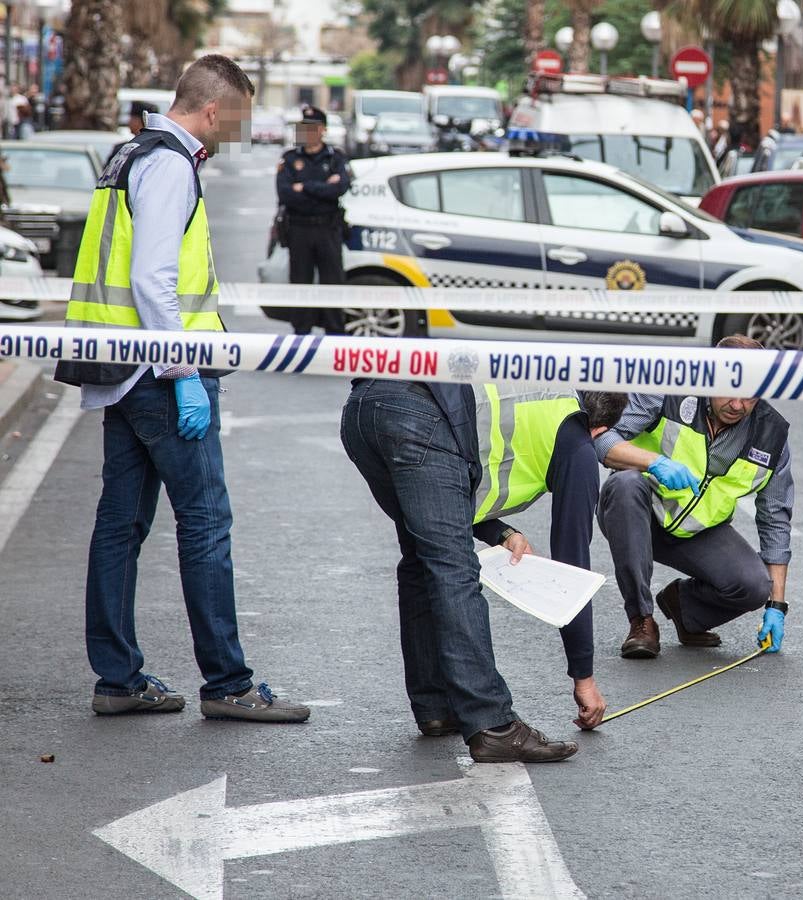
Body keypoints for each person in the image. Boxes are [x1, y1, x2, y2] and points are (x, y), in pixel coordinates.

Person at [53, 55, 311, 723]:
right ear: (212, 111)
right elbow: (152, 279)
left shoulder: (128, 155)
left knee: (121, 526)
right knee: (204, 523)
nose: (240, 132)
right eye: (240, 119)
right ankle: (227, 682)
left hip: (120, 368)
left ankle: (117, 678)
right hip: (160, 374)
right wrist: (185, 371)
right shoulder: (169, 164)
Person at [342, 381, 627, 761]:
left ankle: (436, 707)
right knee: (453, 568)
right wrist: (584, 678)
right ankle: (493, 724)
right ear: (600, 430)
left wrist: (501, 531)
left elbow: (448, 499)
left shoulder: (538, 392)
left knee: (421, 556)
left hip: (364, 408)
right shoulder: (577, 443)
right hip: (419, 415)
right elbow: (571, 572)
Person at [597, 335, 794, 660]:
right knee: (625, 485)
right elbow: (603, 441)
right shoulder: (667, 391)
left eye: (750, 396)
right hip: (635, 513)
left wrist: (777, 606)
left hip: (697, 533)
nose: (738, 405)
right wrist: (654, 463)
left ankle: (685, 608)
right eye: (730, 391)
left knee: (755, 585)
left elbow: (775, 520)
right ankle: (641, 621)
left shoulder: (771, 436)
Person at [271, 105, 350, 335]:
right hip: (299, 229)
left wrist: (304, 186)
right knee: (300, 283)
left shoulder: (335, 157)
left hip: (328, 228)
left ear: (323, 130)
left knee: (333, 283)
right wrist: (324, 187)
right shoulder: (289, 158)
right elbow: (286, 194)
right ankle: (301, 334)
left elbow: (340, 189)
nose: (307, 132)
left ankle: (335, 335)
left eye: (312, 128)